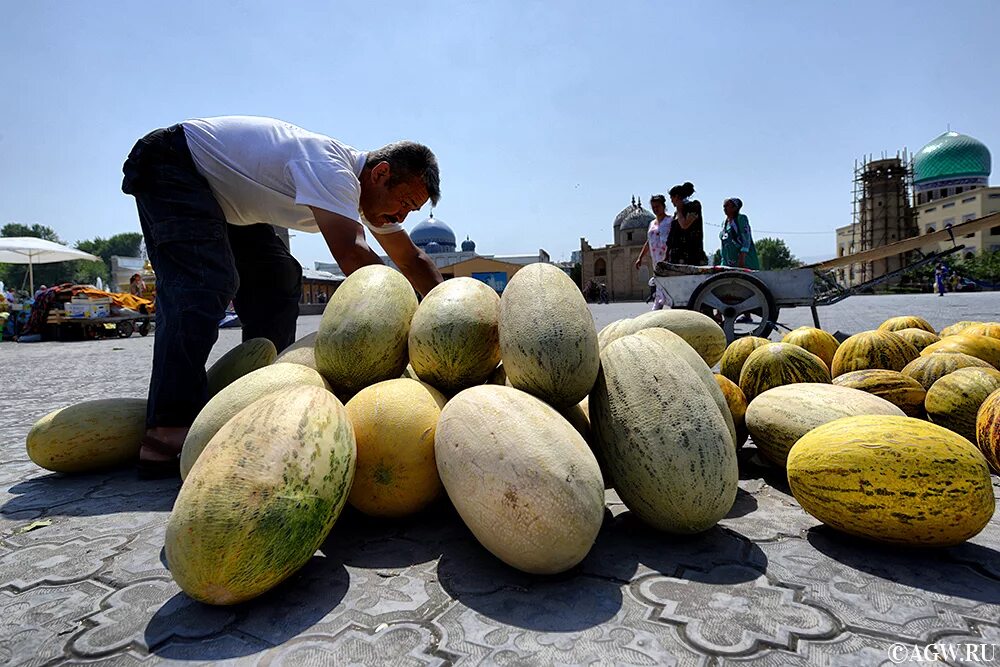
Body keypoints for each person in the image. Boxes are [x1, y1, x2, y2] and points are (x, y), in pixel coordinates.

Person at [121, 116, 444, 477]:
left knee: (277, 278)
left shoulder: (367, 192)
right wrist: (402, 313)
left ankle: (258, 395)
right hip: (174, 162)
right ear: (381, 174)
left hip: (224, 199)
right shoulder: (333, 170)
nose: (400, 216)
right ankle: (167, 428)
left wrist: (441, 312)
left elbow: (411, 258)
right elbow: (353, 255)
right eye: (402, 203)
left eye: (409, 212)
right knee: (202, 280)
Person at [634, 194, 673, 309]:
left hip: (669, 259)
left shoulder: (671, 220)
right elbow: (649, 242)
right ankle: (658, 308)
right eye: (653, 207)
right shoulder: (651, 224)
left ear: (663, 206)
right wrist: (640, 257)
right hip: (656, 261)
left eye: (658, 206)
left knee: (670, 285)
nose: (655, 209)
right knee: (659, 283)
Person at [666, 182, 706, 265]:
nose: (671, 201)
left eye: (672, 198)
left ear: (676, 197)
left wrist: (679, 210)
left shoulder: (693, 206)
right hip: (676, 255)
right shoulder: (676, 214)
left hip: (691, 254)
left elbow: (685, 225)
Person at [719, 198, 760, 269]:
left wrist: (742, 259)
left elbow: (746, 240)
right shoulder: (724, 224)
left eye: (727, 206)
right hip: (728, 263)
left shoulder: (741, 219)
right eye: (724, 206)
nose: (724, 208)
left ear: (735, 207)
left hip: (744, 262)